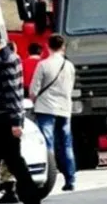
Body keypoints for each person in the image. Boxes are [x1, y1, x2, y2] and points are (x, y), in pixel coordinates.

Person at [0, 28, 41, 204]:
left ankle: (31, 196)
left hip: (4, 118)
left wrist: (15, 122)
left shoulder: (7, 60)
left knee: (13, 161)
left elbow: (12, 92)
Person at [29, 34, 77, 191]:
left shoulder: (43, 65)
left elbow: (33, 90)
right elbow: (70, 87)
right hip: (64, 108)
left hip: (45, 108)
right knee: (66, 144)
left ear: (47, 45)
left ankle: (49, 177)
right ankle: (70, 179)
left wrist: (34, 101)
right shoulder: (69, 66)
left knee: (48, 144)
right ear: (63, 47)